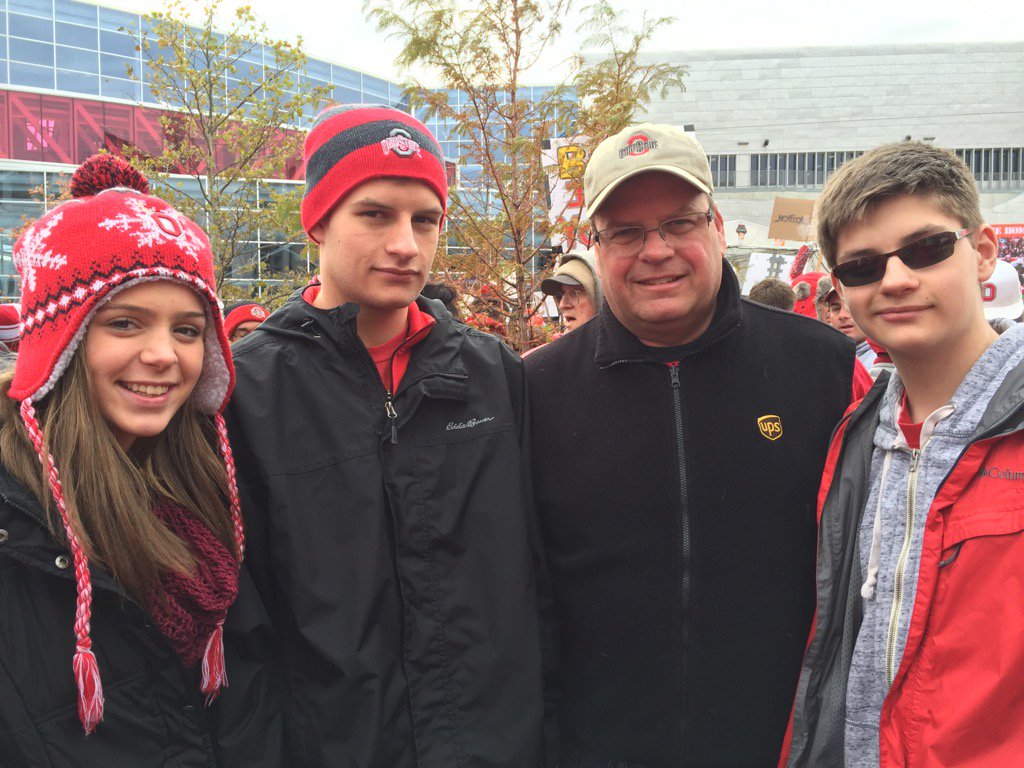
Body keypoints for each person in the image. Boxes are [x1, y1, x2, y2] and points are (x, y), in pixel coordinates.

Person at [214, 104, 553, 767]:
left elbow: (539, 583)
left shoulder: (494, 377)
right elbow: (238, 632)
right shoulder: (244, 394)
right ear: (317, 220)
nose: (406, 243)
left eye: (425, 220)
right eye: (376, 214)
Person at [525, 123, 867, 767]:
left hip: (784, 748)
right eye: (625, 232)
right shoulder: (534, 389)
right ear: (596, 248)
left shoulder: (822, 367)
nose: (655, 250)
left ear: (716, 225)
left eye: (679, 223)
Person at [783, 142, 1024, 767]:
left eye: (925, 249)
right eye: (862, 267)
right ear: (841, 288)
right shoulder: (856, 438)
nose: (895, 279)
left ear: (983, 252)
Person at [0, 154, 243, 765]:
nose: (163, 355)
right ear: (62, 343)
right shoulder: (20, 516)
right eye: (126, 323)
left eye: (188, 330)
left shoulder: (210, 479)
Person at [818, 275, 878, 367]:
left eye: (850, 308)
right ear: (828, 315)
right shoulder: (822, 358)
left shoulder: (887, 362)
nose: (842, 316)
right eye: (836, 309)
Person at [540, 249, 603, 332]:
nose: (562, 305)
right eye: (561, 295)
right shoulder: (562, 344)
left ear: (601, 295)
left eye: (574, 293)